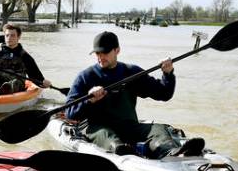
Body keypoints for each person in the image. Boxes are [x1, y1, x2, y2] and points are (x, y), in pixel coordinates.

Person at [64, 31, 205, 159]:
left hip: (128, 126)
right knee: (106, 135)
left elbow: (164, 94)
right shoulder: (85, 77)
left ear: (117, 50)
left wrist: (168, 74)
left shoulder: (132, 72)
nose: (101, 57)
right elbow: (70, 113)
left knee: (158, 129)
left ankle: (170, 151)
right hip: (97, 128)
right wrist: (90, 100)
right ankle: (122, 151)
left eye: (105, 52)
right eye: (97, 53)